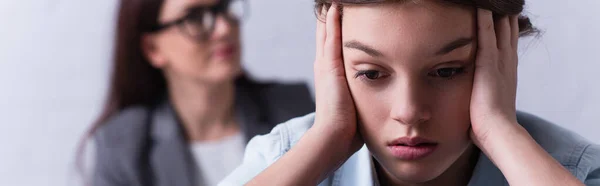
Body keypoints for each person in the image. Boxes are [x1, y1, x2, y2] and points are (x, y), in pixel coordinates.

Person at [219, 0, 600, 185]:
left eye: (447, 71)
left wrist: (499, 131)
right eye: (371, 73)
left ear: (503, 56)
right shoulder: (281, 160)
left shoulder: (574, 171)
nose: (409, 111)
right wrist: (325, 141)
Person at [79, 0, 314, 186]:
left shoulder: (295, 109)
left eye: (224, 7)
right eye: (194, 17)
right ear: (152, 48)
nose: (224, 28)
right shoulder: (121, 145)